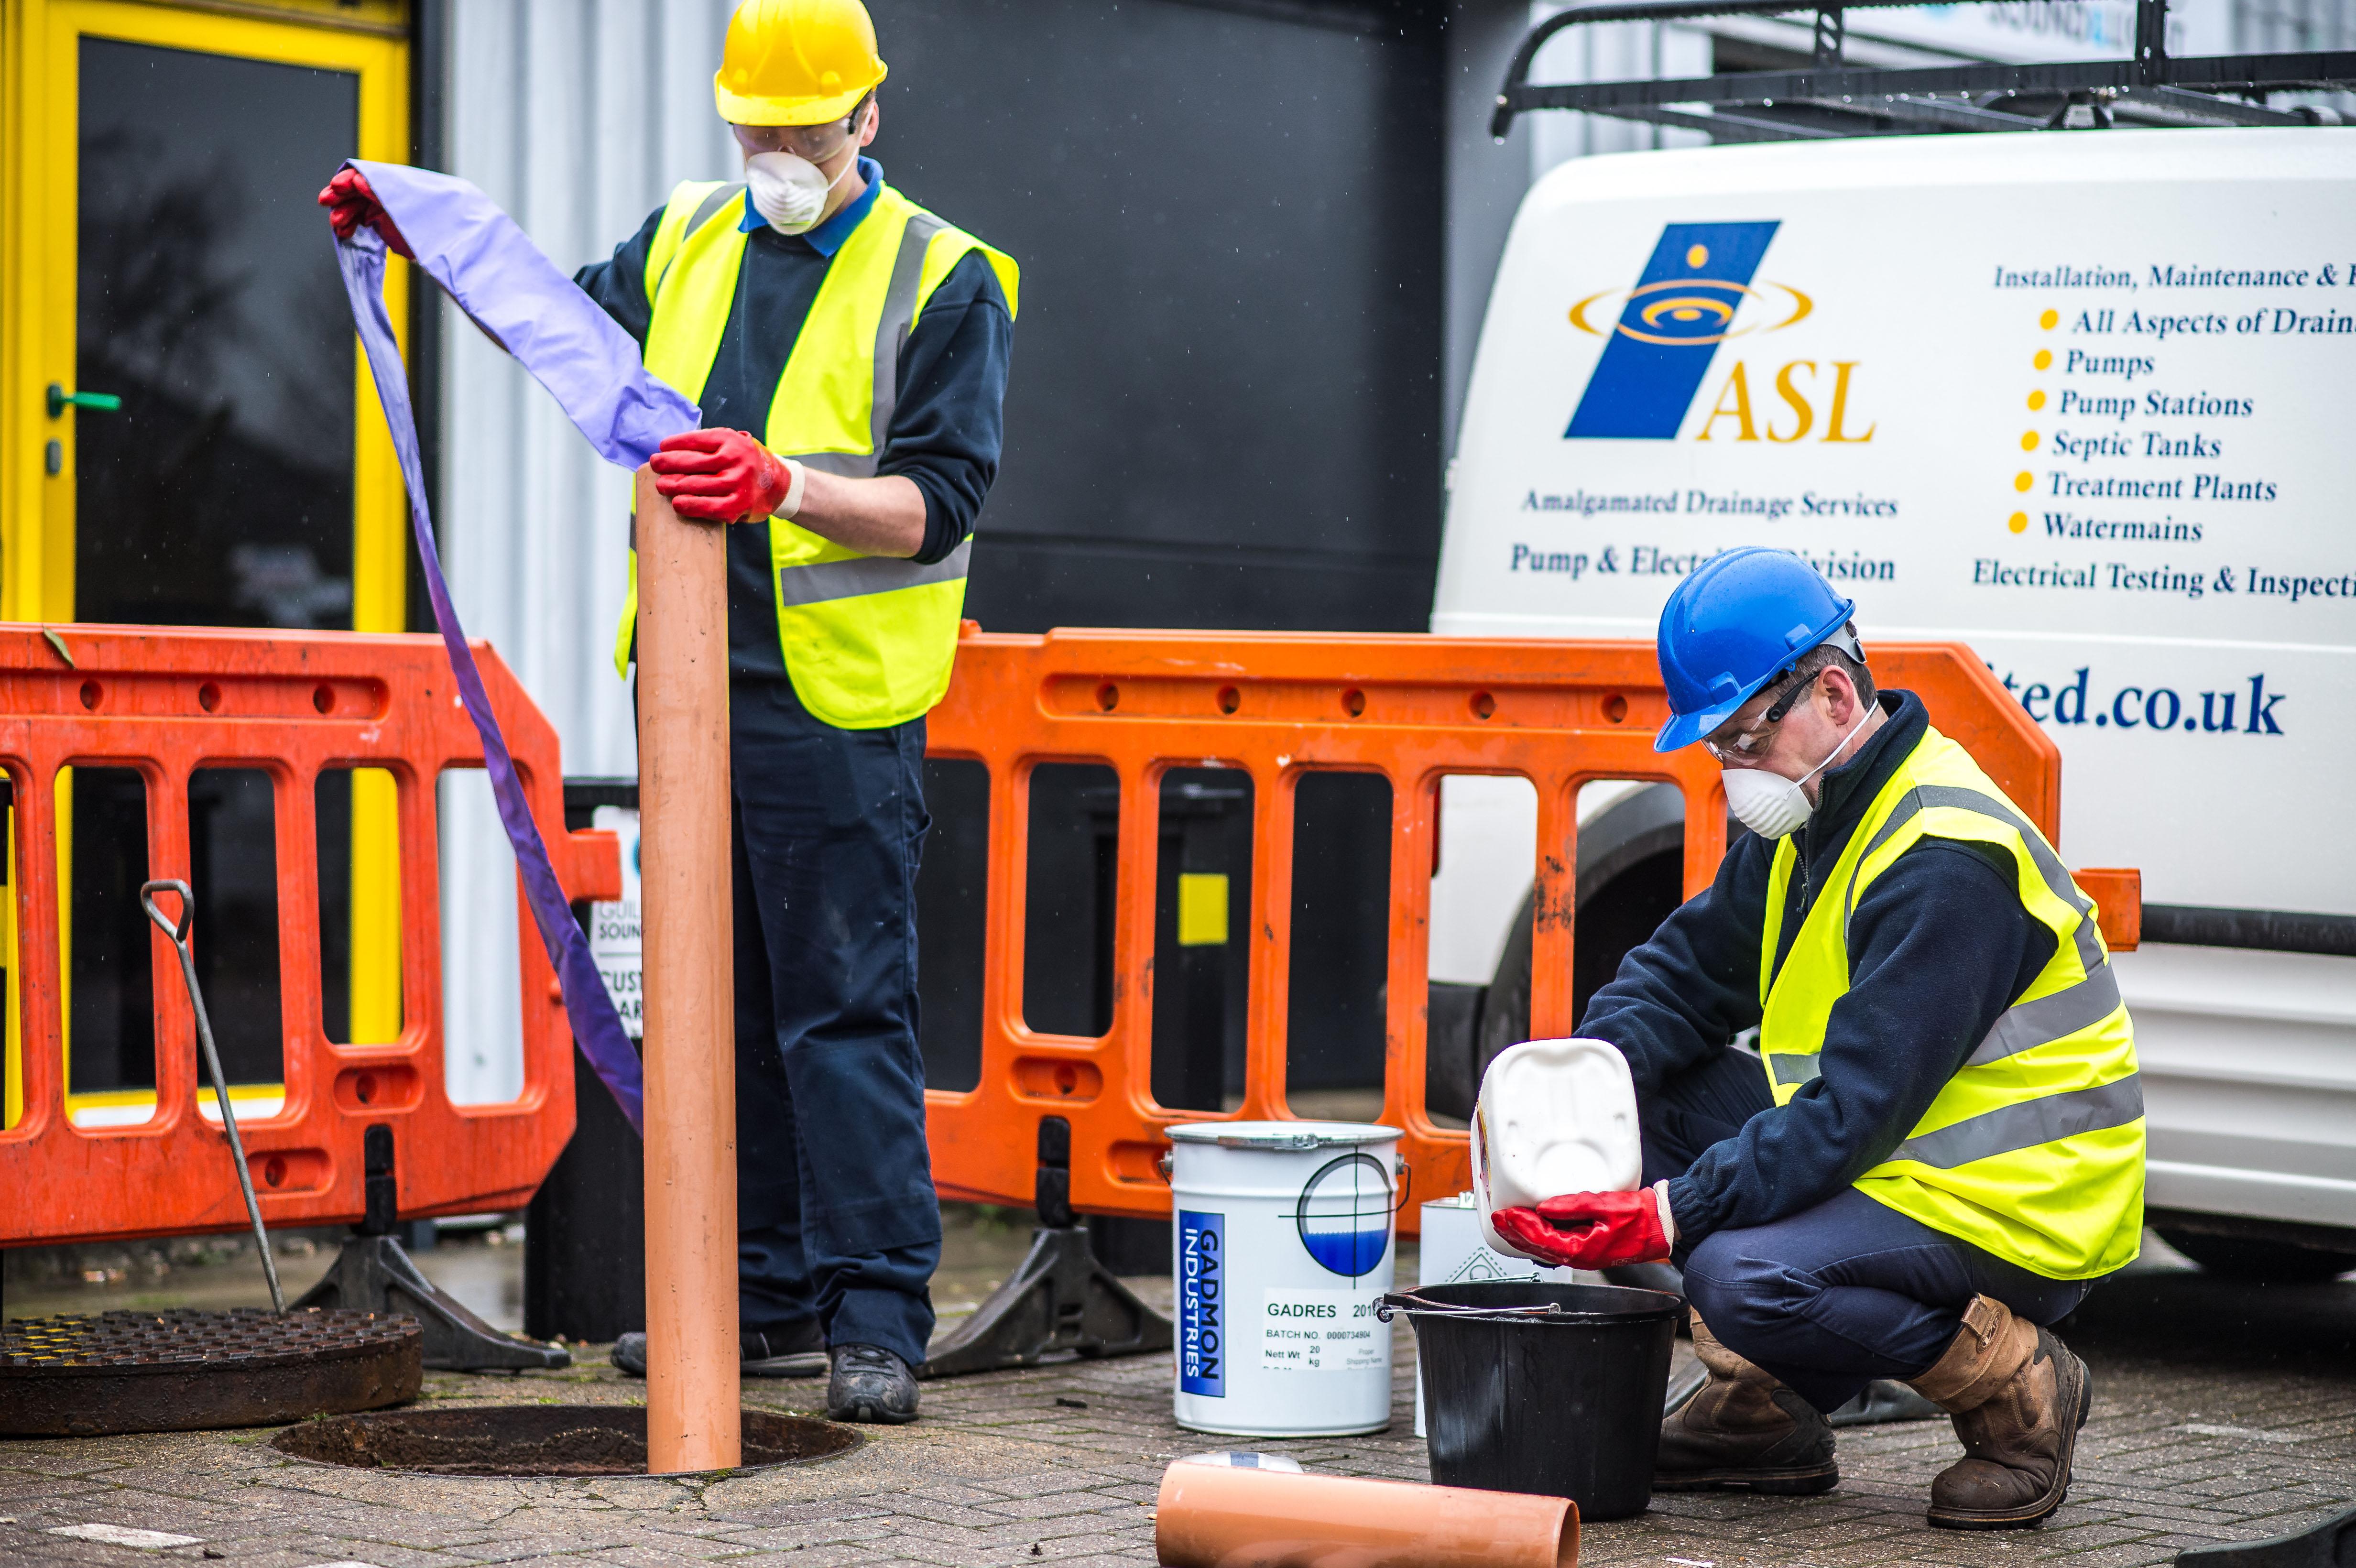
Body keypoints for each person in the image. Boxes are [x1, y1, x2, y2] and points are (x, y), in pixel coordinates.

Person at [327, 0, 1015, 1425]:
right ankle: (759, 1300)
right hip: (693, 697)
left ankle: (877, 1320)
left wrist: (789, 487)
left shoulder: (942, 279)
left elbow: (936, 501)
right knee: (724, 1011)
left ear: (866, 119)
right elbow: (553, 321)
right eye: (756, 127)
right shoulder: (691, 237)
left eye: (803, 130)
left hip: (836, 707)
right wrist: (413, 227)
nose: (775, 153)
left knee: (842, 1015)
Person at [1488, 547, 2142, 1529]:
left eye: (1743, 739)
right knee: (1644, 1104)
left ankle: (2019, 1387)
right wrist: (1580, 1091)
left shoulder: (1945, 859)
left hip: (2016, 1203)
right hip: (1900, 1157)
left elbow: (1851, 1112)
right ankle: (1767, 1415)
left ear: (1832, 693)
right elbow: (1683, 973)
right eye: (1718, 749)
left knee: (1741, 1273)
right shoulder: (1816, 815)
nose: (1734, 770)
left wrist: (1665, 1213)